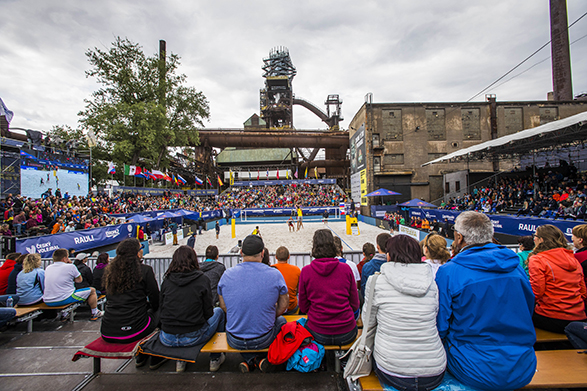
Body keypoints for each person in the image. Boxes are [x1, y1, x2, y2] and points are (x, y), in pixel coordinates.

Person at [436, 211, 536, 390]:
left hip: (471, 365)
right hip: (521, 365)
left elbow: (440, 324)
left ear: (459, 237)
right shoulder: (516, 268)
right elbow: (528, 309)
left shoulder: (450, 272)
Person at [363, 234, 446, 391]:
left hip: (393, 369)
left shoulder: (376, 282)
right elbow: (435, 315)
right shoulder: (431, 283)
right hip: (433, 370)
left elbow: (368, 322)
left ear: (389, 256)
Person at [218, 235, 288, 373]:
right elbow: (284, 304)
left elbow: (224, 306)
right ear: (262, 253)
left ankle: (251, 360)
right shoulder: (274, 274)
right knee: (281, 320)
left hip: (234, 338)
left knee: (244, 329)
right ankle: (258, 359)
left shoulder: (227, 274)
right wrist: (271, 315)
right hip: (263, 338)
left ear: (241, 253)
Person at [159, 245, 226, 372]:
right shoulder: (201, 279)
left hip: (167, 337)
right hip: (193, 336)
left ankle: (180, 359)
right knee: (219, 312)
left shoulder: (167, 280)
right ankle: (215, 358)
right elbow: (208, 311)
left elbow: (161, 307)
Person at [100, 238, 163, 368]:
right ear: (136, 253)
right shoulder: (144, 270)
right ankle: (156, 353)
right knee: (162, 311)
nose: (142, 251)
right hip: (134, 329)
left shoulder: (110, 272)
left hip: (108, 329)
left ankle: (141, 355)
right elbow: (155, 299)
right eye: (140, 248)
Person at [299, 229, 359, 346]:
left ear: (314, 246)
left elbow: (303, 306)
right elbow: (355, 304)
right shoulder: (346, 269)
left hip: (318, 331)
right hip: (346, 330)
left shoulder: (306, 271)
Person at [529, 224, 587, 333]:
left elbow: (536, 292)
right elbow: (583, 292)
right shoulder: (573, 259)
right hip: (579, 316)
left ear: (541, 240)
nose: (534, 238)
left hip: (551, 316)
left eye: (535, 236)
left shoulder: (537, 260)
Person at [43, 249, 103, 321]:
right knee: (92, 290)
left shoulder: (48, 268)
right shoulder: (71, 267)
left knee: (66, 292)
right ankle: (95, 312)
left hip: (48, 300)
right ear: (64, 258)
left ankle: (65, 314)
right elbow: (79, 280)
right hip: (63, 298)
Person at [360, 233, 391, 299]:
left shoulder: (367, 266)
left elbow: (364, 289)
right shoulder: (395, 265)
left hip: (372, 302)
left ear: (377, 247)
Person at [272, 246, 301, 315]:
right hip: (292, 307)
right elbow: (299, 290)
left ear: (276, 257)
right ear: (288, 257)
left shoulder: (271, 269)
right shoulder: (296, 270)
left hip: (276, 308)